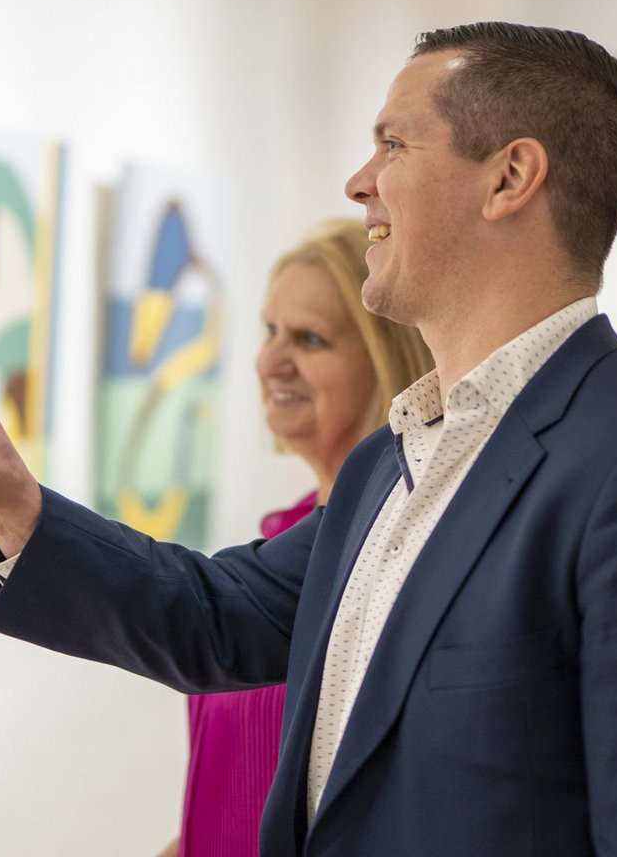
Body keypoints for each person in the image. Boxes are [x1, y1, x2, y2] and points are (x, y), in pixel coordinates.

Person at [0, 22, 617, 856]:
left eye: (392, 144)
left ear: (510, 178)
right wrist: (19, 511)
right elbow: (219, 615)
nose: (359, 184)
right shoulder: (395, 459)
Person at [160, 220, 432, 857]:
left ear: (386, 359)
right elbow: (229, 787)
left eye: (310, 339)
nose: (270, 362)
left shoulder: (410, 551)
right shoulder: (280, 537)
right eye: (270, 332)